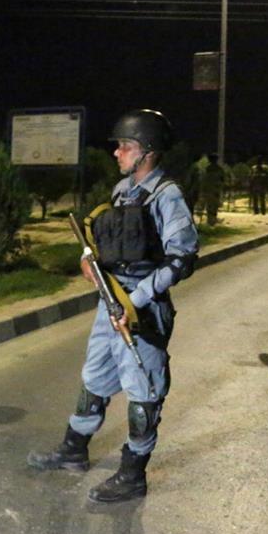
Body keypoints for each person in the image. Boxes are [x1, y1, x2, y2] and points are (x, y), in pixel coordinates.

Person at [27, 109, 198, 504]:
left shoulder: (166, 194)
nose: (117, 152)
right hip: (112, 300)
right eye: (118, 145)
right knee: (95, 376)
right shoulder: (124, 192)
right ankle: (73, 449)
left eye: (126, 146)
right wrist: (90, 260)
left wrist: (134, 302)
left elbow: (182, 259)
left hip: (142, 307)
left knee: (144, 390)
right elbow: (115, 242)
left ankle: (133, 474)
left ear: (147, 152)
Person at [201, 152, 225, 225]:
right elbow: (222, 179)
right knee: (214, 205)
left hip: (208, 190)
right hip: (215, 190)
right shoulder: (219, 169)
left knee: (209, 205)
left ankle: (210, 220)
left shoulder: (207, 169)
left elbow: (203, 180)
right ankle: (213, 220)